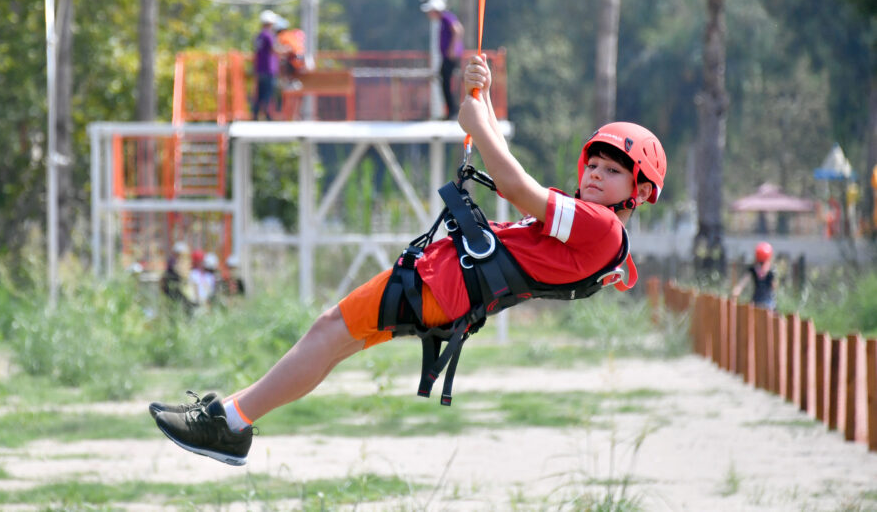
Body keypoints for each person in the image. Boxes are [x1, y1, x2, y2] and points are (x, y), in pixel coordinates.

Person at [150, 53, 667, 466]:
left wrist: (476, 119)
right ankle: (232, 418)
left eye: (615, 171)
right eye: (594, 163)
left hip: (443, 286)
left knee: (329, 332)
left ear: (638, 192)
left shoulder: (599, 227)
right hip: (447, 290)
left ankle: (231, 422)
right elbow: (513, 175)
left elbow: (513, 184)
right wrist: (480, 101)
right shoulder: (592, 228)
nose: (598, 174)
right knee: (330, 340)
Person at [421, 0, 465, 119]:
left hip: (450, 57)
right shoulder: (443, 19)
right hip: (448, 56)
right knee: (444, 80)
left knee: (447, 82)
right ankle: (451, 110)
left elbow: (458, 30)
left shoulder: (446, 17)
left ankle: (453, 111)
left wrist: (452, 49)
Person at [251, 10, 282, 121]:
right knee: (268, 93)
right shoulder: (269, 35)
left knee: (260, 93)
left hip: (260, 68)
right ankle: (268, 115)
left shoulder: (259, 35)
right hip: (269, 69)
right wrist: (286, 49)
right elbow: (274, 49)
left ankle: (255, 114)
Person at [730, 241, 776, 310]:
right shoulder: (754, 270)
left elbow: (773, 287)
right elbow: (743, 282)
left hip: (768, 303)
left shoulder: (770, 271)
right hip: (758, 301)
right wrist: (737, 290)